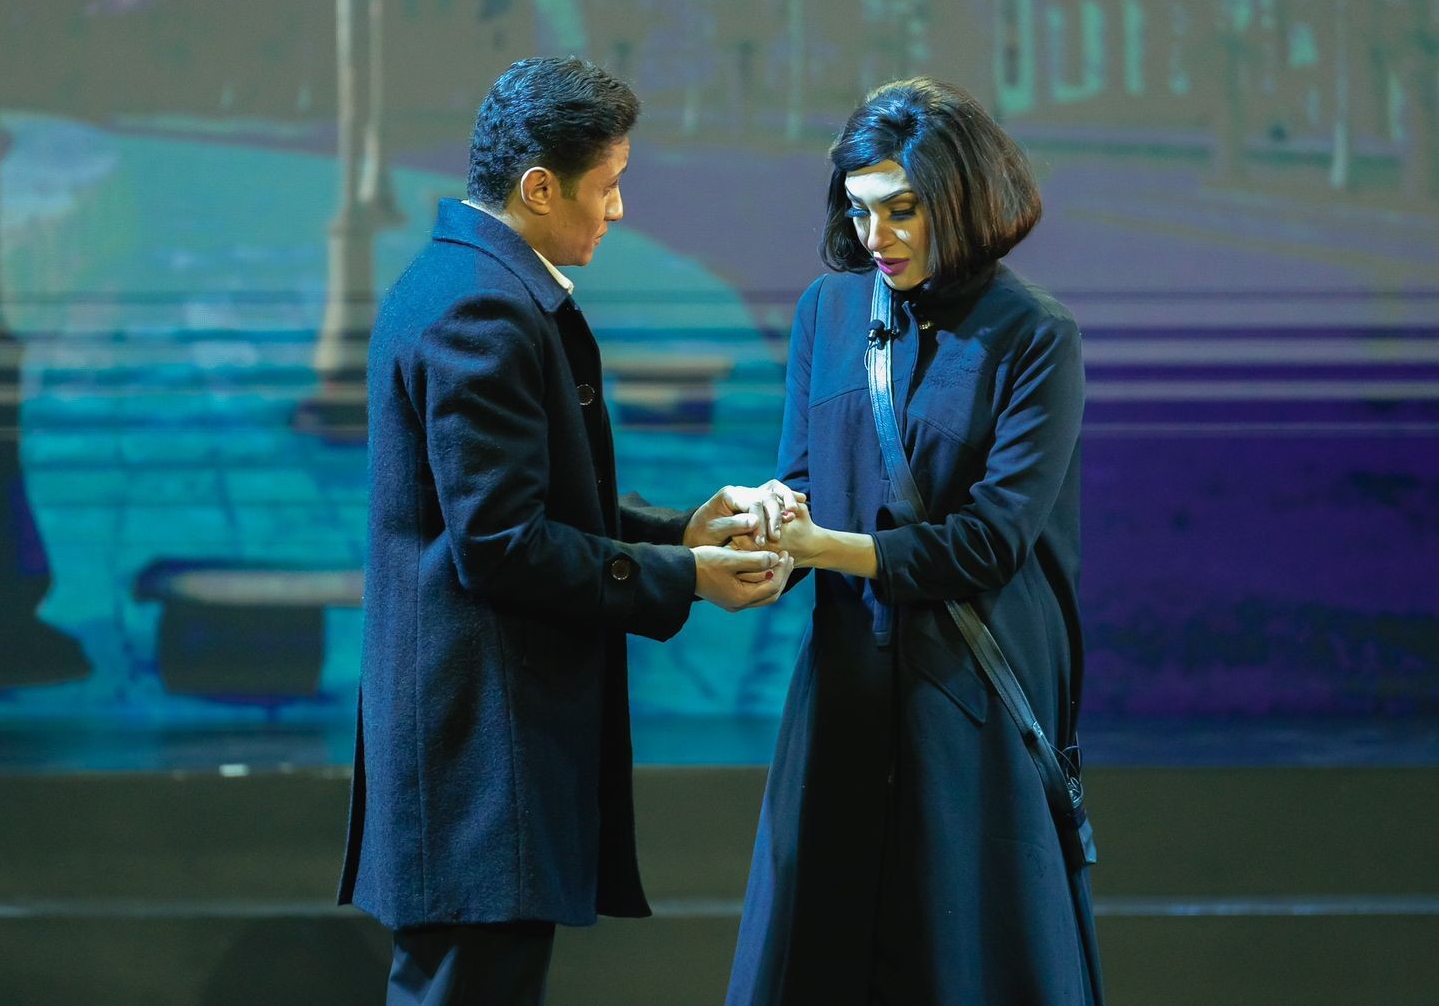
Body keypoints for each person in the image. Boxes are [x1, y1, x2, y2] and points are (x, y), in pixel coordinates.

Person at [337, 56, 797, 1005]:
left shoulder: (459, 280)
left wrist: (679, 532)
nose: (619, 210)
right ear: (541, 188)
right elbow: (501, 543)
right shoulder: (481, 308)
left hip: (475, 748)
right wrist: (687, 577)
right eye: (609, 185)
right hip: (480, 753)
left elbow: (526, 500)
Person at [726, 79, 1104, 1004]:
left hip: (969, 698)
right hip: (846, 688)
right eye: (860, 211)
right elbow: (804, 479)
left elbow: (991, 542)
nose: (876, 236)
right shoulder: (827, 311)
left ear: (963, 201)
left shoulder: (1036, 335)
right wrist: (766, 519)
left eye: (902, 210)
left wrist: (829, 548)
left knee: (965, 959)